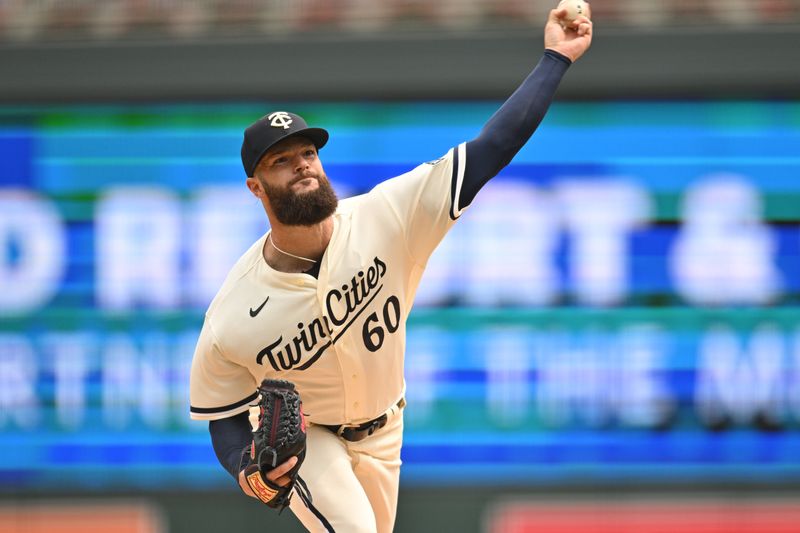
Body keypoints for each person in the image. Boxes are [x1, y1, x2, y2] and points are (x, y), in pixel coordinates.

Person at [189, 7, 592, 533]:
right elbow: (222, 416)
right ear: (256, 188)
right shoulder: (234, 313)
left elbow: (492, 148)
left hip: (387, 428)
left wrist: (555, 59)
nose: (303, 164)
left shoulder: (386, 217)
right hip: (315, 440)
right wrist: (247, 469)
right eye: (281, 161)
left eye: (307, 152)